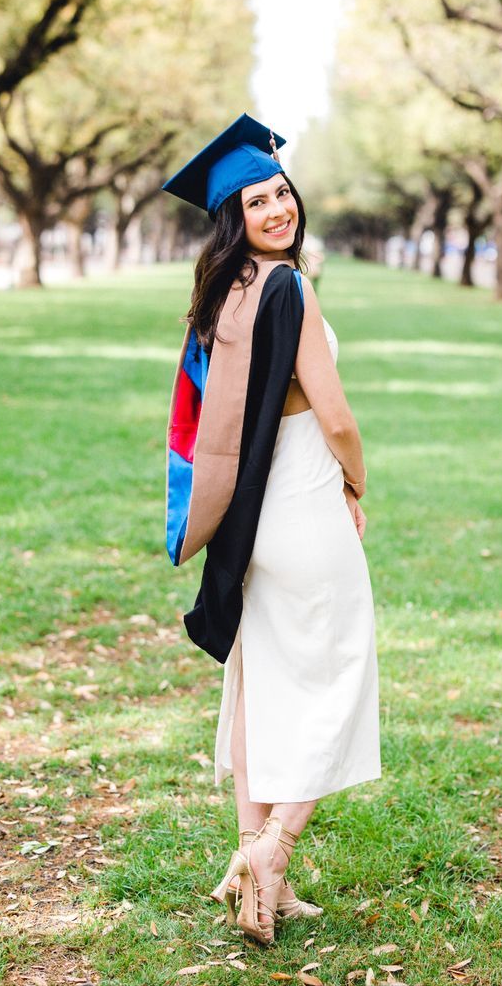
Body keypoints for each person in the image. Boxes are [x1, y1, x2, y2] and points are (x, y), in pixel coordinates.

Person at [163, 113, 381, 946]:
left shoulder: (226, 293)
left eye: (281, 192)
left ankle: (260, 880)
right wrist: (357, 477)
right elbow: (333, 412)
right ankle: (274, 847)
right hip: (307, 507)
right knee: (341, 675)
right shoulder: (287, 286)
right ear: (235, 219)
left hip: (250, 525)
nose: (277, 208)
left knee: (258, 689)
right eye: (257, 202)